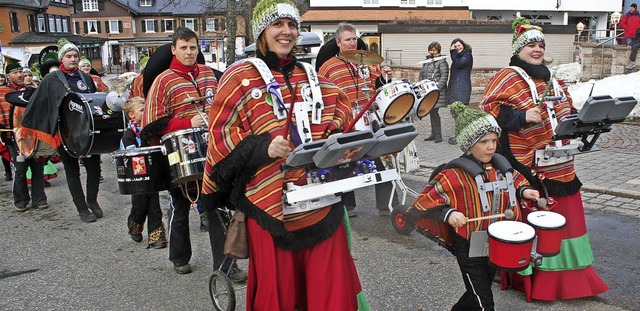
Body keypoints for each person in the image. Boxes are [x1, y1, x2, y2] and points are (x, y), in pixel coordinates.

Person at [202, 0, 361, 308]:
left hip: (321, 202)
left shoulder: (312, 76)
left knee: (330, 294)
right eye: (278, 24)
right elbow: (220, 138)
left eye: (292, 25)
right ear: (262, 31)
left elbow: (339, 115)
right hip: (268, 206)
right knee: (279, 296)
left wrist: (342, 141)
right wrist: (263, 147)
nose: (286, 32)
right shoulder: (238, 78)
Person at [480, 17, 608, 301]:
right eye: (531, 45)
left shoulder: (552, 79)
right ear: (518, 49)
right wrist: (522, 116)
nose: (537, 50)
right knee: (537, 218)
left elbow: (565, 108)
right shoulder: (506, 76)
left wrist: (577, 121)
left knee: (568, 219)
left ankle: (572, 276)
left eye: (540, 45)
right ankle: (536, 277)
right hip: (527, 159)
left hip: (560, 161)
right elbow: (490, 113)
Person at [405, 101, 539, 311]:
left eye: (494, 140)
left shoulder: (500, 166)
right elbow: (425, 202)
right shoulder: (454, 174)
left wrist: (525, 191)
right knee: (484, 302)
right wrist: (449, 214)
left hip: (494, 241)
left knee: (478, 290)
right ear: (469, 144)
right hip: (468, 243)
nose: (491, 147)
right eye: (484, 141)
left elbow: (515, 181)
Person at [140, 27, 218, 274]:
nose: (188, 52)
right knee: (180, 206)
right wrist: (187, 123)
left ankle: (227, 262)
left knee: (218, 206)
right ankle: (179, 258)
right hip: (180, 152)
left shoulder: (209, 74)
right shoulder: (163, 80)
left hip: (212, 149)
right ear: (173, 49)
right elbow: (152, 122)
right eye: (183, 47)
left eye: (193, 47)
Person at [318, 22, 398, 217]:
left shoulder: (367, 62)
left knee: (383, 159)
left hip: (370, 116)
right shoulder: (328, 67)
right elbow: (323, 94)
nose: (352, 43)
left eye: (354, 39)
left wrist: (386, 78)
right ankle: (347, 206)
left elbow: (378, 86)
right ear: (338, 42)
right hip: (346, 120)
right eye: (348, 39)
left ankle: (386, 204)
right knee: (344, 162)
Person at [22, 38, 103, 223]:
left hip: (86, 133)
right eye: (69, 56)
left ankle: (93, 201)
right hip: (64, 133)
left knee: (94, 168)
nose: (73, 59)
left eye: (75, 56)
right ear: (62, 59)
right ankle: (82, 209)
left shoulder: (86, 78)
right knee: (72, 171)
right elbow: (39, 102)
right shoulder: (51, 79)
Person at [120, 97, 167, 249]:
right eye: (141, 110)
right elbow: (130, 151)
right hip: (137, 175)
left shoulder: (149, 129)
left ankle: (156, 237)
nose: (145, 112)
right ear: (131, 115)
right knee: (140, 205)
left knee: (154, 205)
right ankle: (135, 225)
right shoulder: (129, 134)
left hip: (152, 173)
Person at [0, 63, 48, 212]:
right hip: (12, 137)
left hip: (35, 137)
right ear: (8, 75)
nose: (20, 75)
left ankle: (39, 199)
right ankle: (21, 200)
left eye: (21, 71)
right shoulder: (2, 92)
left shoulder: (32, 90)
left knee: (38, 168)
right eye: (15, 73)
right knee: (20, 170)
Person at [420, 41, 449, 143]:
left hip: (437, 92)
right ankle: (433, 133)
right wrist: (422, 86)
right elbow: (422, 74)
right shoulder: (426, 61)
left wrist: (437, 87)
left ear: (438, 50)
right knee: (431, 112)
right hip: (428, 91)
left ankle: (438, 135)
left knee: (435, 112)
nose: (432, 52)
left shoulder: (442, 62)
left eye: (434, 50)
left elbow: (444, 76)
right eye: (431, 50)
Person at [447, 38, 473, 145]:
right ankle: (459, 134)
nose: (458, 48)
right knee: (457, 113)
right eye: (455, 46)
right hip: (456, 87)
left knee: (461, 113)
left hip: (461, 87)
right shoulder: (459, 56)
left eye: (459, 45)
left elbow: (459, 64)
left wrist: (452, 52)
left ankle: (463, 135)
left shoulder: (467, 55)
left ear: (463, 44)